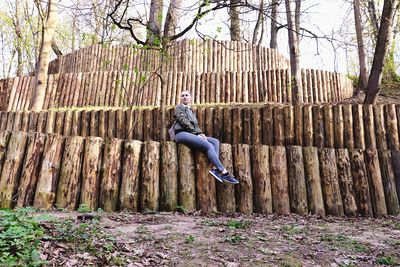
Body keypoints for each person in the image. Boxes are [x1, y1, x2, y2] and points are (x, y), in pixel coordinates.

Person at [173, 90, 239, 184]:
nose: (184, 97)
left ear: (190, 98)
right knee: (209, 146)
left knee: (215, 141)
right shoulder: (179, 107)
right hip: (181, 134)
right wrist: (196, 134)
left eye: (187, 95)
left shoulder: (191, 111)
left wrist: (200, 133)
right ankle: (224, 172)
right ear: (180, 98)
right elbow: (184, 122)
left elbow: (195, 125)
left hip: (192, 134)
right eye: (182, 95)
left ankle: (215, 169)